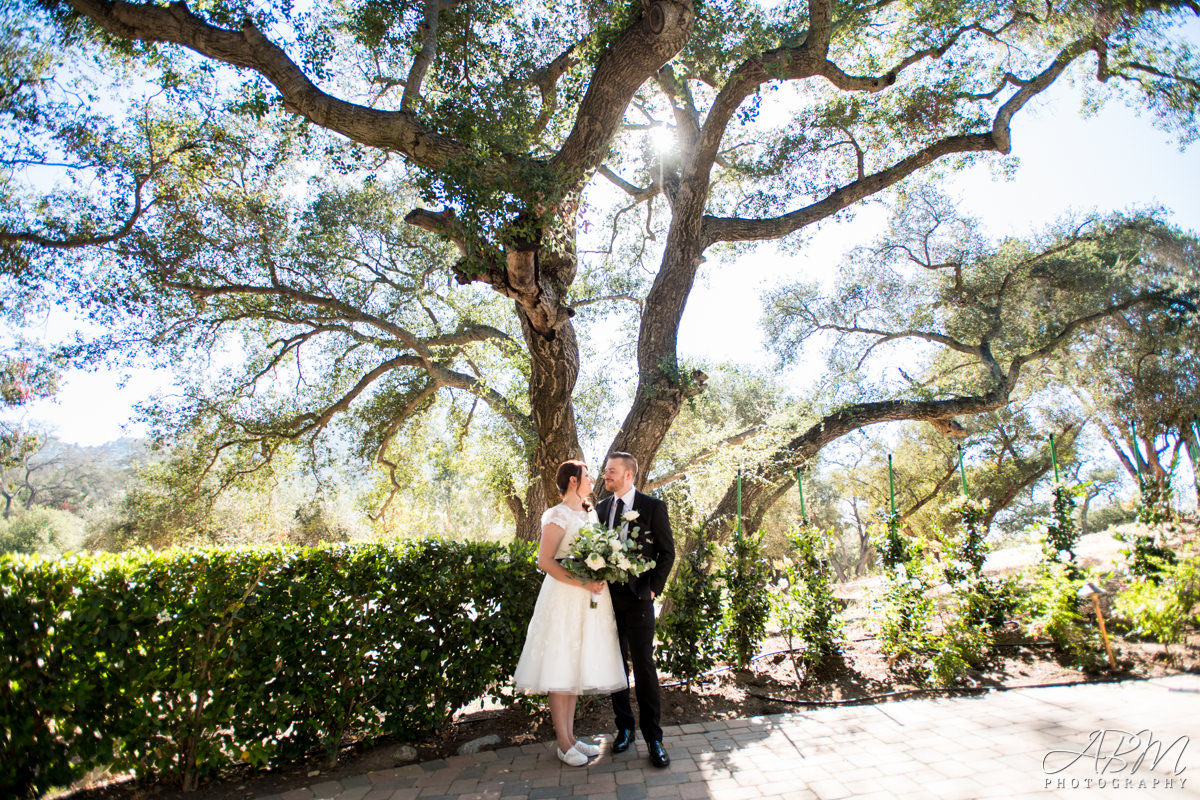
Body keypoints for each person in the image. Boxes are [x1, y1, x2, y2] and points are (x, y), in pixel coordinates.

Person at [512, 460, 628, 767]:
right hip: (564, 596)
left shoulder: (590, 513)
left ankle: (573, 738)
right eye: (588, 476)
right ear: (574, 481)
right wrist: (584, 581)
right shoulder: (557, 514)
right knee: (560, 666)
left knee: (574, 668)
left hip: (588, 599)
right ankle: (563, 744)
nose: (593, 480)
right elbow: (545, 561)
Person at [594, 451, 676, 768]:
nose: (606, 475)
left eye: (611, 471)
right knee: (616, 668)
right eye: (605, 471)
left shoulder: (653, 507)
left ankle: (654, 738)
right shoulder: (601, 509)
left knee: (644, 668)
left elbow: (667, 552)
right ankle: (624, 729)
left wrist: (653, 588)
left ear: (629, 474)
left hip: (640, 599)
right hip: (608, 602)